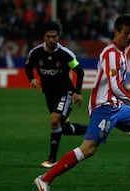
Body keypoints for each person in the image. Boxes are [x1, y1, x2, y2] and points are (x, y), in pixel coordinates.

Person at [34, 14, 130, 191]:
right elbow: (114, 87)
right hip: (103, 107)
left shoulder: (121, 52)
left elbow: (116, 87)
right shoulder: (111, 53)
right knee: (88, 149)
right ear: (116, 32)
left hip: (117, 106)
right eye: (126, 33)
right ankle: (45, 179)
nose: (129, 38)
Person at [25, 21, 88, 168]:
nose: (51, 39)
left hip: (65, 92)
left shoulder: (65, 54)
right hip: (48, 94)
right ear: (44, 37)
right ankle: (92, 130)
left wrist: (77, 92)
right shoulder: (36, 52)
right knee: (64, 128)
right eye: (49, 36)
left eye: (54, 36)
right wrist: (32, 78)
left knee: (54, 120)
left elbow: (79, 71)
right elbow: (28, 67)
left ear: (59, 36)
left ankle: (52, 159)